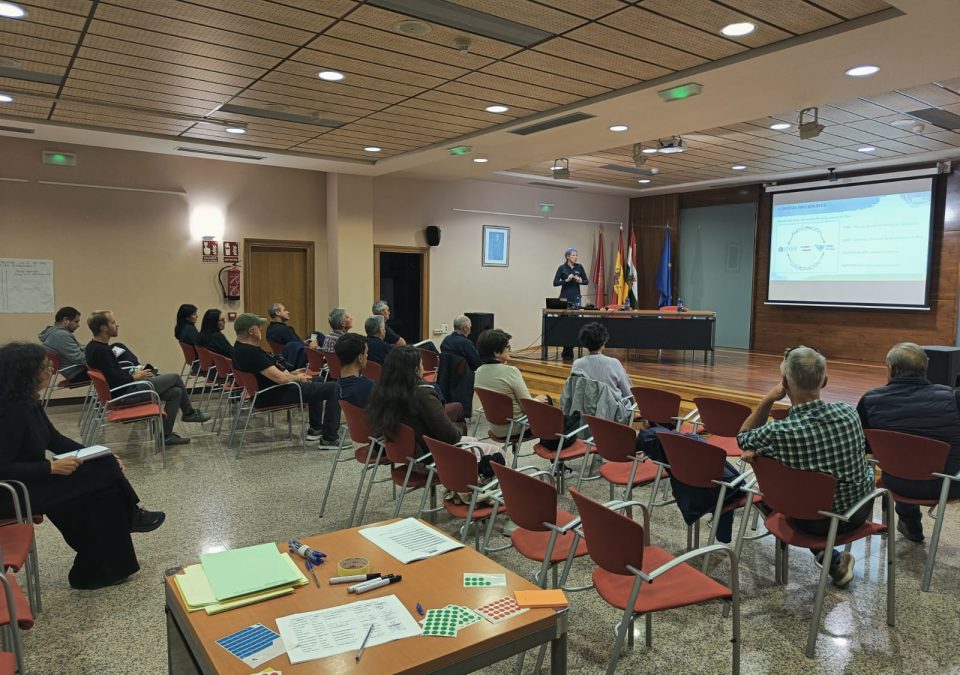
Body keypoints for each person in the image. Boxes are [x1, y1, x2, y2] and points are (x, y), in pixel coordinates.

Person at [0, 342, 165, 590]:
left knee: (105, 476)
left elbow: (55, 439)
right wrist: (50, 469)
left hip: (34, 480)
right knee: (103, 482)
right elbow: (3, 468)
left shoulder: (27, 402)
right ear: (25, 373)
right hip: (15, 491)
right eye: (44, 367)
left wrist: (96, 453)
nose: (51, 371)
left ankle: (99, 566)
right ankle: (131, 515)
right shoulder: (9, 412)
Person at [737, 346, 875, 588]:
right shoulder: (849, 414)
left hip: (807, 520)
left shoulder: (778, 433)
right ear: (825, 381)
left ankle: (830, 560)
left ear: (784, 383)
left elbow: (743, 438)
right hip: (856, 512)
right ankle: (832, 561)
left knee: (768, 489)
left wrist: (768, 399)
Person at [857, 342, 960, 542]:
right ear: (926, 366)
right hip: (948, 484)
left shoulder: (870, 400)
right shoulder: (954, 399)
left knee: (902, 459)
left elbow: (866, 447)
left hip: (895, 482)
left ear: (890, 369)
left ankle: (911, 524)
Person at [84, 310, 210, 446]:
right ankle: (189, 412)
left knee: (176, 392)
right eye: (113, 322)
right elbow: (116, 380)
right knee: (174, 377)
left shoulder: (92, 347)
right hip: (124, 394)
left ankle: (166, 436)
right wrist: (135, 376)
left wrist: (135, 373)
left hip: (121, 390)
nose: (117, 325)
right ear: (103, 328)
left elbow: (113, 375)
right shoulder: (102, 351)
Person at [232, 313, 340, 447]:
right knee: (334, 388)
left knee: (317, 379)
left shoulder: (238, 349)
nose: (261, 329)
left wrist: (292, 373)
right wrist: (297, 377)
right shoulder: (251, 353)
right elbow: (281, 379)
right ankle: (329, 438)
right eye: (259, 327)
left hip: (265, 392)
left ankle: (315, 428)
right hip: (273, 394)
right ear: (251, 331)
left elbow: (270, 372)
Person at [366, 346, 466, 454]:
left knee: (456, 409)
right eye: (422, 364)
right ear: (416, 370)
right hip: (429, 453)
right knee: (474, 440)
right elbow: (451, 437)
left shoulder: (382, 390)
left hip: (400, 448)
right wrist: (460, 427)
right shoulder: (423, 394)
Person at [474, 329, 549, 439]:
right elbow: (527, 406)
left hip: (495, 427)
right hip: (516, 427)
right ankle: (551, 448)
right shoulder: (511, 371)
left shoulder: (479, 371)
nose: (510, 349)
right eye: (507, 347)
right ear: (496, 352)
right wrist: (538, 400)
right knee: (547, 401)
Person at [571, 322, 632, 398]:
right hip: (611, 408)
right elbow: (628, 392)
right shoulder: (614, 363)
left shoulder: (577, 364)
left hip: (585, 408)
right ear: (603, 342)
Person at [553, 247, 588, 359]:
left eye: (576, 255)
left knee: (574, 324)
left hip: (576, 299)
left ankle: (570, 349)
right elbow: (555, 283)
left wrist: (580, 281)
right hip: (564, 299)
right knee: (565, 324)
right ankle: (566, 349)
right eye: (573, 255)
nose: (576, 257)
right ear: (567, 256)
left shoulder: (579, 267)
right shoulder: (562, 268)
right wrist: (566, 280)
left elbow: (586, 281)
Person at [39, 306, 89, 383]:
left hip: (76, 370)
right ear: (65, 320)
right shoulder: (60, 335)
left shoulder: (55, 333)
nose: (78, 325)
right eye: (76, 322)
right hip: (77, 373)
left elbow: (79, 349)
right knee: (110, 368)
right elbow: (80, 358)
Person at [335, 332, 375, 408]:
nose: (367, 355)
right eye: (366, 353)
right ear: (360, 358)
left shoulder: (335, 389)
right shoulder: (370, 387)